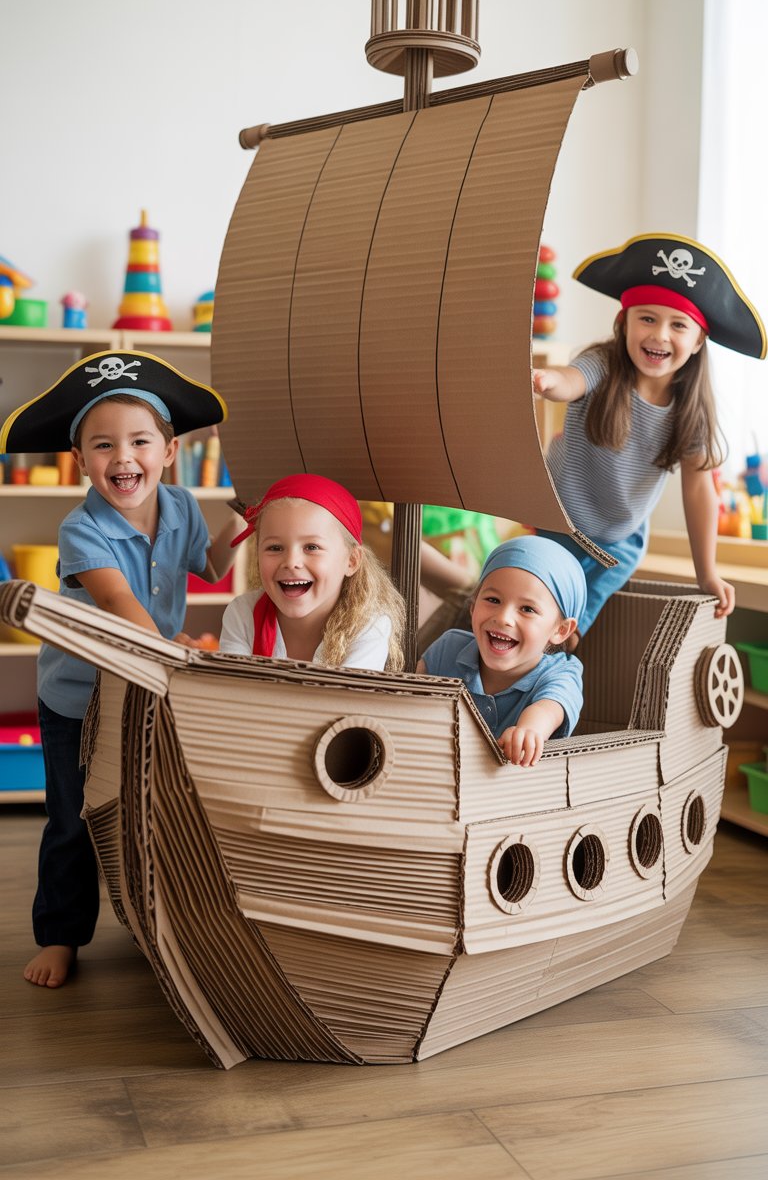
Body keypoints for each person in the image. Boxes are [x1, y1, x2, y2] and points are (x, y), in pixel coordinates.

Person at [0, 349, 240, 989]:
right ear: (81, 460)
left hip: (153, 691)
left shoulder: (184, 505)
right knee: (73, 819)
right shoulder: (81, 529)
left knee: (156, 813)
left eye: (139, 441)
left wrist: (245, 515)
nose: (122, 458)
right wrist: (176, 658)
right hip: (81, 698)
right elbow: (118, 604)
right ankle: (60, 934)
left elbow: (211, 569)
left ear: (169, 451)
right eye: (103, 446)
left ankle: (158, 924)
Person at [533, 233, 766, 640]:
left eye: (678, 325)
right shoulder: (602, 364)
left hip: (620, 544)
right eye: (647, 318)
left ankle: (557, 666)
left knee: (569, 628)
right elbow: (571, 381)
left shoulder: (690, 413)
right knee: (538, 605)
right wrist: (548, 379)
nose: (660, 335)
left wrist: (706, 573)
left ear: (697, 342)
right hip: (561, 524)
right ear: (623, 324)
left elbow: (699, 492)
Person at [416, 536, 586, 767]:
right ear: (473, 606)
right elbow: (410, 695)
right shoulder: (448, 648)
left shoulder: (561, 673)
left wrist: (528, 730)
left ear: (561, 630)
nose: (504, 618)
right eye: (493, 600)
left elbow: (549, 708)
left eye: (527, 609)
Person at [219, 473, 405, 670]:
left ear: (351, 561)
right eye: (275, 548)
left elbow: (347, 700)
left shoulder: (369, 625)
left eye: (312, 547)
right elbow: (232, 692)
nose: (291, 562)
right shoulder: (242, 613)